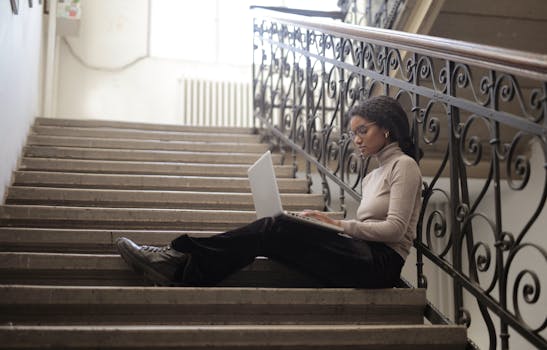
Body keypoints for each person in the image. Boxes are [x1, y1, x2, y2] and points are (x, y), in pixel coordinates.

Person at [116, 95, 422, 288]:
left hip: (380, 266)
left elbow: (394, 230)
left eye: (362, 131)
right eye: (352, 133)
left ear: (387, 129)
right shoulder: (372, 177)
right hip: (361, 255)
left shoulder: (404, 166)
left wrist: (337, 225)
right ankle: (184, 267)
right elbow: (364, 230)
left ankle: (177, 258)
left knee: (274, 228)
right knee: (274, 229)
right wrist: (320, 222)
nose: (355, 140)